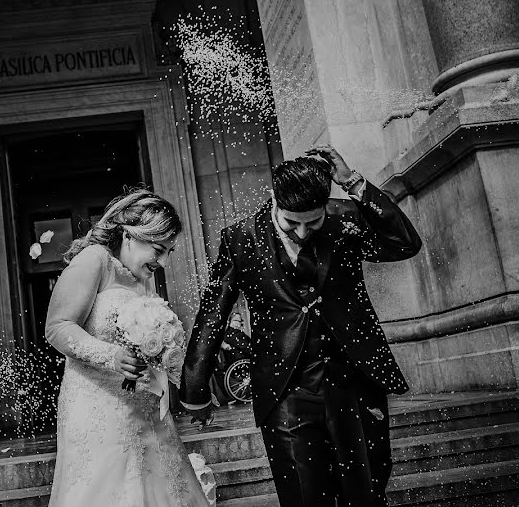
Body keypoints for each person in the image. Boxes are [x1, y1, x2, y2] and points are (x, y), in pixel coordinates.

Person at [180, 146, 423, 507]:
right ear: (276, 200)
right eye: (292, 222)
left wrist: (353, 184)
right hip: (284, 391)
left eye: (313, 221)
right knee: (304, 498)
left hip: (354, 382)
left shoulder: (344, 219)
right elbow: (213, 313)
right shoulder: (240, 238)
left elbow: (404, 244)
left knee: (367, 495)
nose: (303, 231)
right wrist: (195, 389)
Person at [46, 189, 211, 507]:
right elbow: (57, 327)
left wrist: (193, 390)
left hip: (144, 409)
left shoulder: (139, 279)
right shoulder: (95, 260)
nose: (162, 262)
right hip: (99, 407)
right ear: (131, 235)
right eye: (159, 249)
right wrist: (112, 356)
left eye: (169, 252)